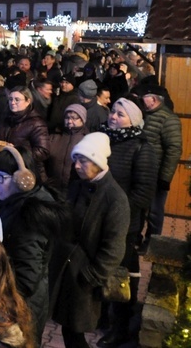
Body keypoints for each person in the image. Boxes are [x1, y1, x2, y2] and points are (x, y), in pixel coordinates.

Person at [51, 132, 130, 348]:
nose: (76, 165)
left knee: (75, 332)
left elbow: (113, 248)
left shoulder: (115, 199)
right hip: (66, 269)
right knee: (68, 329)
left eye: (83, 160)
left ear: (98, 162)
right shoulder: (79, 185)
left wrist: (90, 277)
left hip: (84, 277)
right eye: (76, 159)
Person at [0, 145, 67, 343]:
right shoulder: (20, 201)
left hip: (22, 307)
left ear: (22, 180)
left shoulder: (29, 216)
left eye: (0, 177)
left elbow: (25, 278)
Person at [97, 97, 156, 347]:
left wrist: (117, 213)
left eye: (121, 115)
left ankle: (120, 327)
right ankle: (99, 317)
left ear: (133, 120)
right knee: (99, 266)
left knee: (122, 273)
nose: (113, 117)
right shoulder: (102, 139)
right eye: (113, 112)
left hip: (125, 222)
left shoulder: (142, 147)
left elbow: (143, 192)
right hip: (97, 216)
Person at [139, 85, 182, 250]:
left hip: (157, 174)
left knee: (155, 212)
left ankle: (152, 243)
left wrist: (165, 178)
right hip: (143, 172)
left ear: (153, 98)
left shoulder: (168, 119)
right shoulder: (147, 115)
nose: (141, 100)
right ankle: (137, 239)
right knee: (141, 209)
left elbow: (174, 149)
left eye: (144, 97)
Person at [0, 86, 49, 182]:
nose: (12, 102)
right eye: (10, 99)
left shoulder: (36, 123)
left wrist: (17, 153)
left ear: (28, 101)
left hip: (29, 173)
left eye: (17, 99)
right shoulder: (5, 119)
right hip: (8, 170)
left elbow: (43, 151)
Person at [46, 104, 89, 192]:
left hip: (74, 190)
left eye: (74, 118)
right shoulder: (55, 135)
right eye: (67, 117)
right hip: (51, 187)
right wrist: (45, 179)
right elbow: (43, 159)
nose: (69, 121)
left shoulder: (87, 139)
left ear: (82, 119)